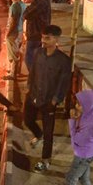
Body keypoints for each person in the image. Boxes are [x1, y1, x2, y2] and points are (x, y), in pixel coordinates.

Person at [24, 24, 72, 172]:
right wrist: (28, 86)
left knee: (49, 131)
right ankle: (38, 135)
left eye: (47, 38)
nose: (43, 40)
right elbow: (33, 72)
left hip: (49, 101)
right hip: (33, 95)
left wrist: (55, 99)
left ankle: (45, 159)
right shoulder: (38, 52)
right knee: (28, 120)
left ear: (56, 39)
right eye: (42, 37)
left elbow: (64, 82)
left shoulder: (63, 60)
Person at [53, 90, 93, 185]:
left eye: (79, 104)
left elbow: (76, 140)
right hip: (89, 153)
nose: (76, 106)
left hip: (83, 156)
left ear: (87, 106)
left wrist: (72, 121)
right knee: (84, 179)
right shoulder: (90, 114)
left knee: (71, 179)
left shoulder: (90, 125)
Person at [22, 0, 52, 74]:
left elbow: (26, 14)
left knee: (28, 58)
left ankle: (35, 77)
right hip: (37, 32)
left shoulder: (41, 1)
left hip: (36, 33)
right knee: (36, 58)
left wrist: (31, 2)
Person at [4, 0, 26, 80]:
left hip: (14, 33)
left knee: (13, 53)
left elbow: (13, 21)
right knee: (17, 52)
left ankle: (13, 74)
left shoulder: (14, 6)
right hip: (20, 31)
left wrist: (8, 33)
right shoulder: (23, 5)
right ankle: (16, 71)